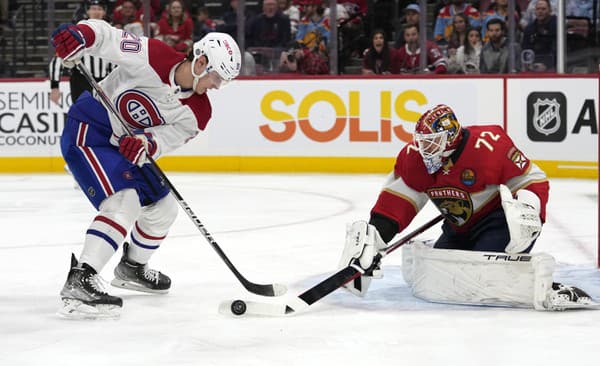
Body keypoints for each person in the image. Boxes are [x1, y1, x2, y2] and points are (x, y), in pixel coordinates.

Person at [50, 18, 241, 318]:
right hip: (90, 130)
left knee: (165, 207)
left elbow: (168, 138)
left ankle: (132, 267)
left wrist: (147, 144)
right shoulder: (154, 55)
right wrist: (82, 35)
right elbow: (108, 38)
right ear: (201, 62)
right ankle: (81, 278)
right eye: (219, 77)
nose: (218, 86)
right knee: (124, 201)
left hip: (122, 145)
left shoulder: (200, 112)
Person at [337, 104, 593, 310]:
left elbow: (530, 178)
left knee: (486, 279)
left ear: (450, 138)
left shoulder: (488, 146)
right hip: (457, 228)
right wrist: (373, 241)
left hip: (497, 223)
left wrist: (528, 209)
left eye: (432, 142)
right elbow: (397, 204)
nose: (424, 149)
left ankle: (550, 287)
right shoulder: (414, 159)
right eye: (422, 141)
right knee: (445, 276)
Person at [49, 0, 116, 106]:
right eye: (93, 9)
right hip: (82, 81)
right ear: (87, 11)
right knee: (84, 115)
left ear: (104, 12)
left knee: (106, 117)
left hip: (105, 82)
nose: (96, 12)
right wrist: (55, 87)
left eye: (99, 9)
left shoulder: (112, 32)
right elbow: (57, 60)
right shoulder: (76, 32)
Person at [521, 0, 556, 72]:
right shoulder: (529, 29)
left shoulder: (557, 26)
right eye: (538, 9)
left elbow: (557, 51)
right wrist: (530, 65)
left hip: (554, 66)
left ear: (550, 10)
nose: (540, 11)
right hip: (534, 65)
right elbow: (525, 49)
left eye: (543, 9)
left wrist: (547, 65)